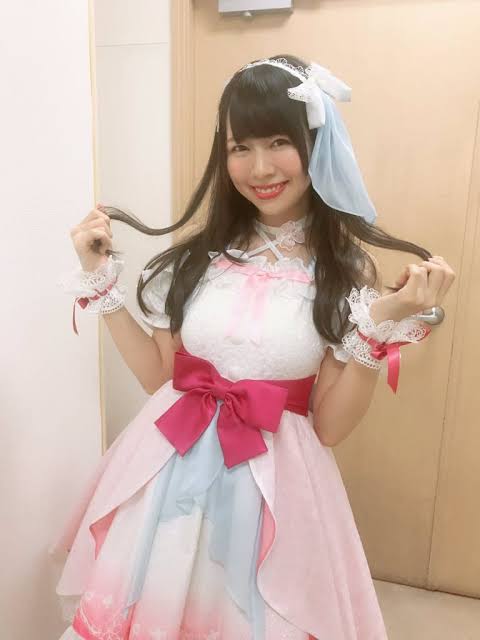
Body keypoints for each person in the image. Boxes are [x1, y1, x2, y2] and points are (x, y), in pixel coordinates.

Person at [52, 54, 455, 640]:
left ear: (315, 146)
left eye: (278, 142)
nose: (259, 167)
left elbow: (330, 426)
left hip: (274, 487)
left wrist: (378, 326)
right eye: (240, 147)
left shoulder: (344, 273)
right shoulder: (193, 261)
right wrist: (101, 285)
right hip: (170, 474)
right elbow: (159, 378)